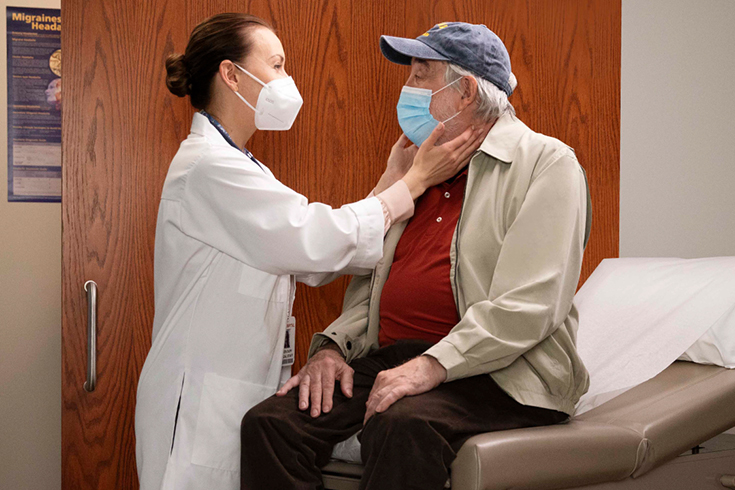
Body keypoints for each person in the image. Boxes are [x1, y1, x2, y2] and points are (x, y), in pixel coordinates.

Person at [134, 14, 487, 490]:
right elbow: (315, 240)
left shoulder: (241, 166)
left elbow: (311, 257)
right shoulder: (207, 170)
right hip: (196, 399)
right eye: (276, 66)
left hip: (228, 392)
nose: (287, 81)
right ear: (231, 74)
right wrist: (414, 182)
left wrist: (390, 181)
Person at [241, 22, 593, 490]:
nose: (406, 90)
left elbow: (529, 305)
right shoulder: (420, 165)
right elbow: (372, 283)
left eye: (420, 75)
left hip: (500, 372)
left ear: (465, 90)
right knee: (271, 425)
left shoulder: (547, 164)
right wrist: (331, 348)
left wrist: (432, 365)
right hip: (396, 355)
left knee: (402, 424)